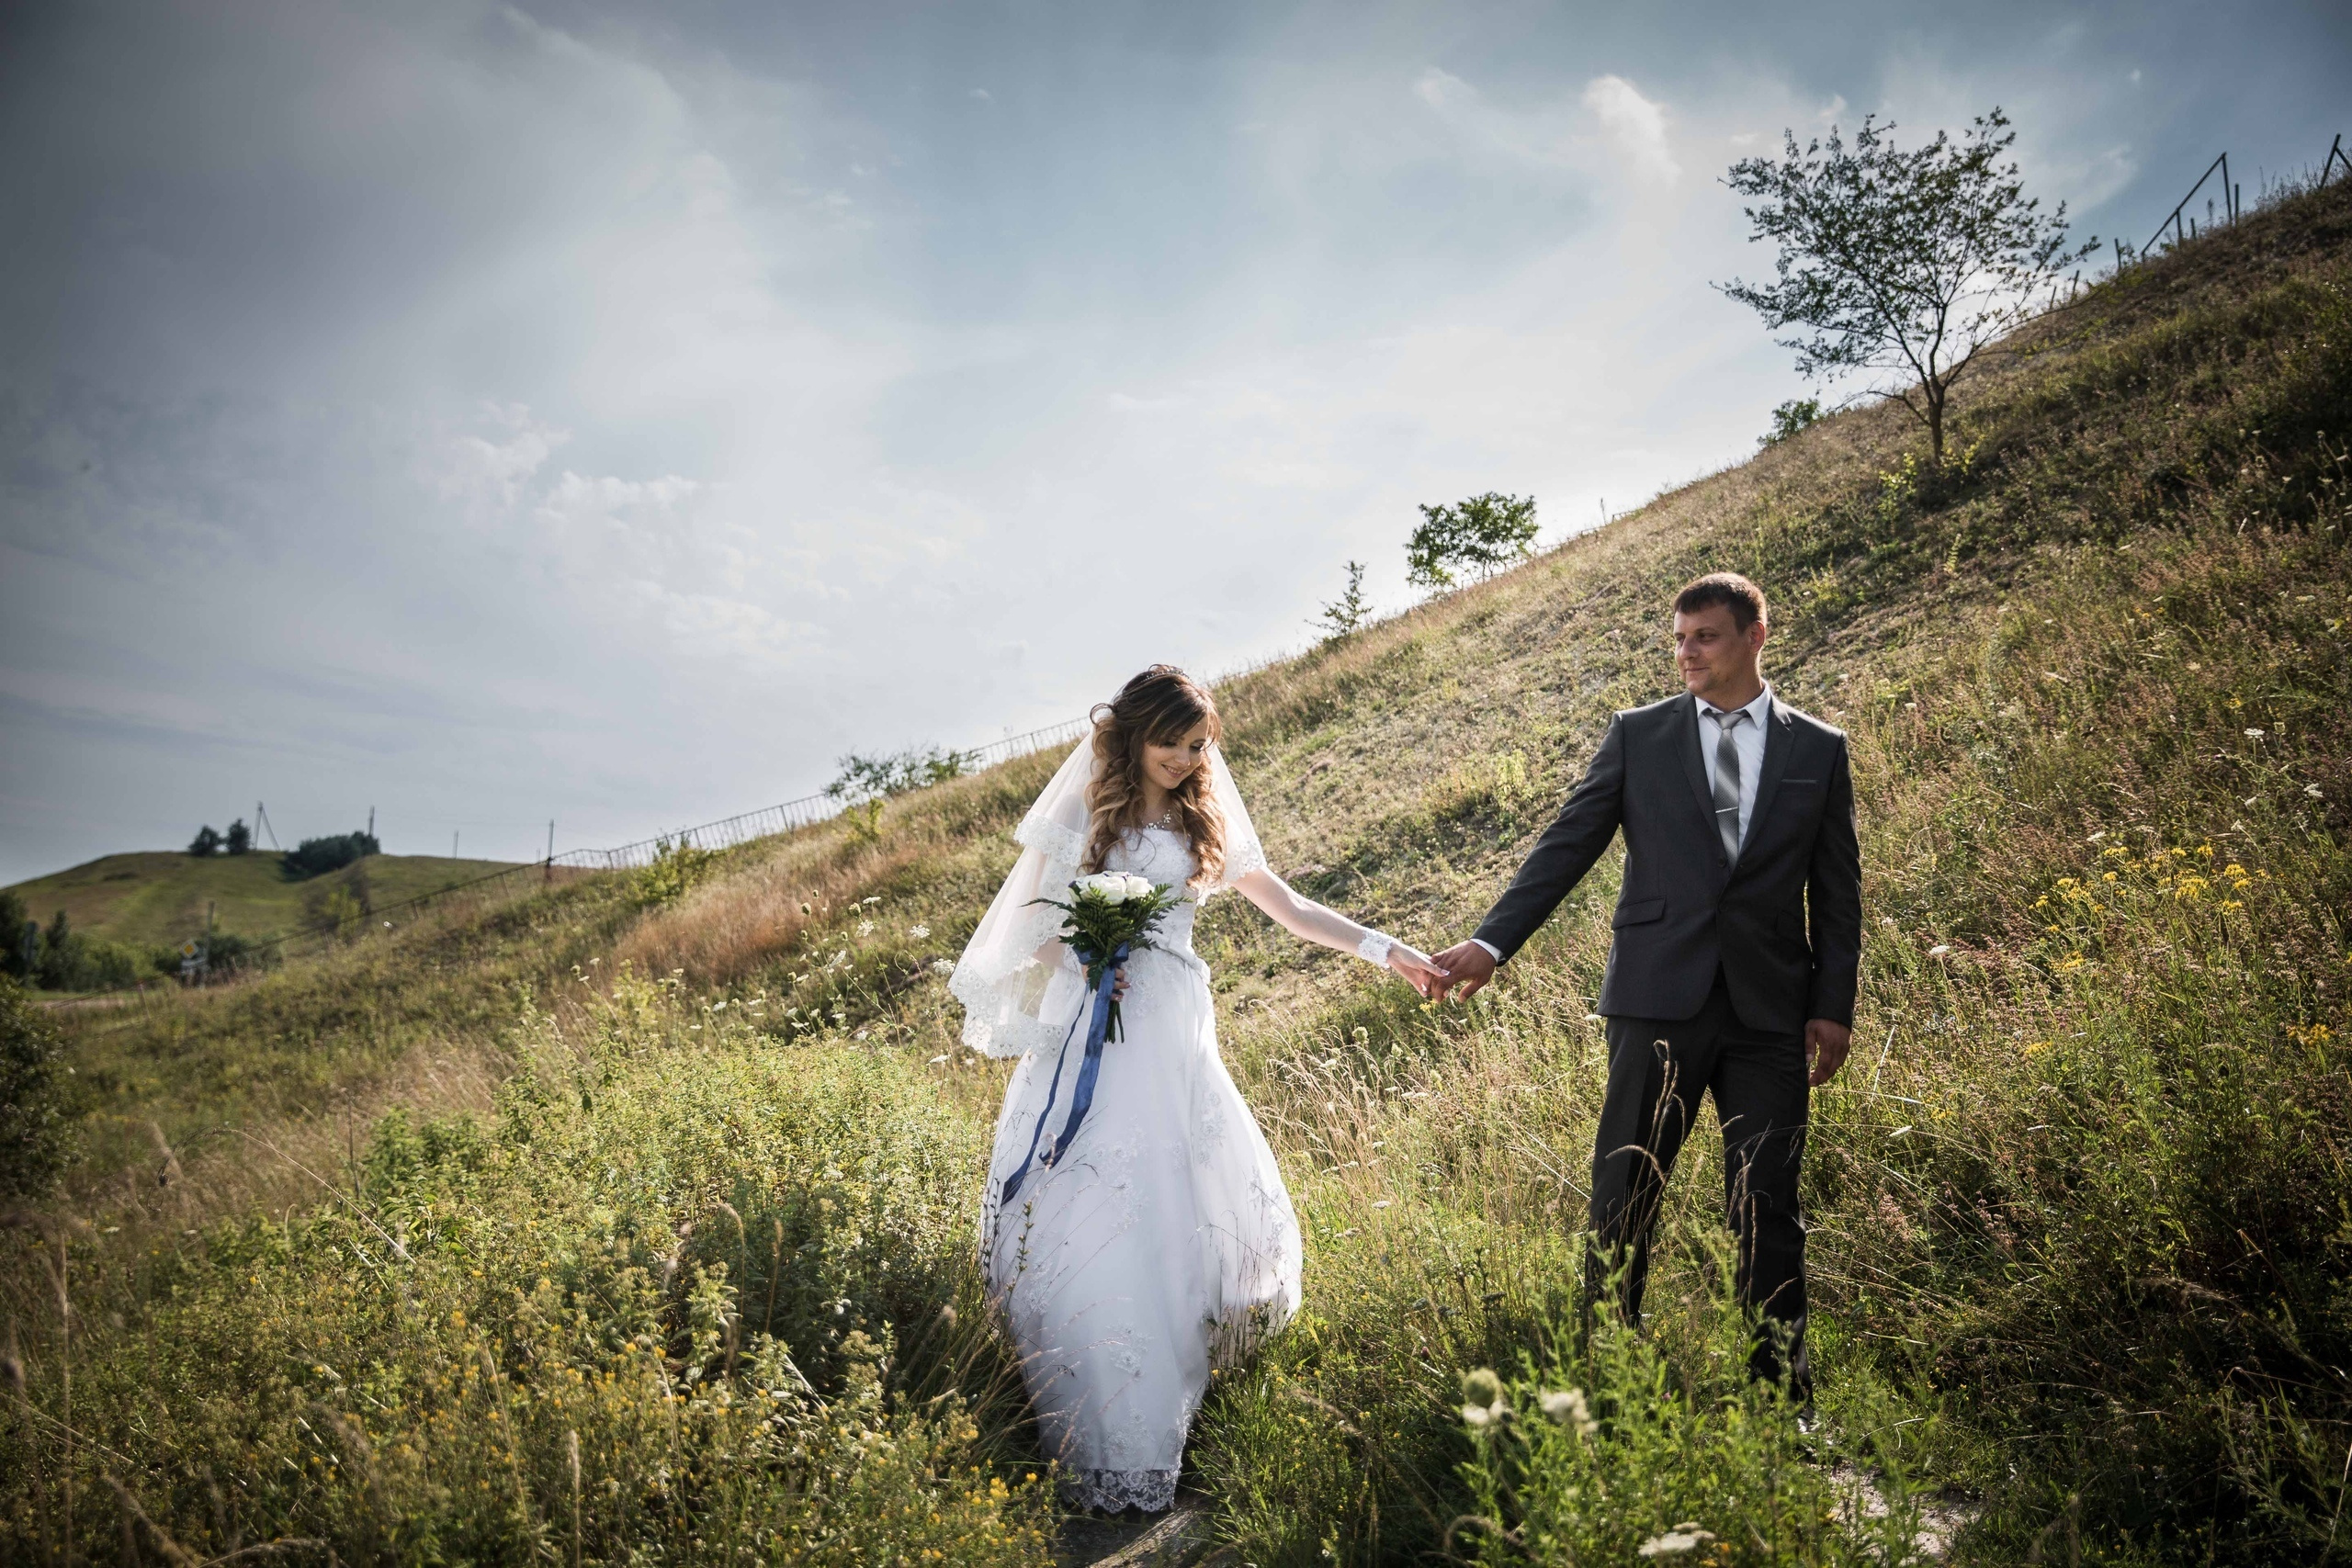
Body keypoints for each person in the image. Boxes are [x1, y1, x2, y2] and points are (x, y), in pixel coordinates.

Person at [950, 664, 1447, 1513]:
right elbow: (1029, 926)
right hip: (1095, 1028)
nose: (1188, 759)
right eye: (1173, 744)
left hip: (1176, 1026)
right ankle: (1097, 1407)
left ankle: (1195, 1387)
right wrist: (1090, 956)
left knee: (1187, 1195)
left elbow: (1285, 904)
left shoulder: (1201, 813)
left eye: (1198, 745)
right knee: (1093, 1197)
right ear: (1132, 737)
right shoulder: (1084, 813)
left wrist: (1385, 948)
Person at [1430, 573, 1860, 1402]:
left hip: (1771, 1011)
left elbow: (1838, 894)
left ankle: (1782, 1399)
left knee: (1769, 1202)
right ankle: (1606, 1385)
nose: (1687, 652)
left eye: (1704, 635)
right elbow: (1567, 846)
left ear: (1755, 634)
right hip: (1656, 999)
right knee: (1625, 1191)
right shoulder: (1639, 735)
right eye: (1679, 637)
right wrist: (1491, 941)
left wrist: (1831, 1007)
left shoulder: (1819, 748)